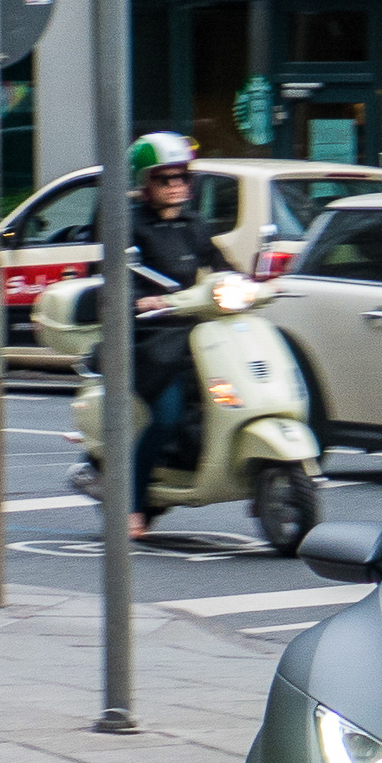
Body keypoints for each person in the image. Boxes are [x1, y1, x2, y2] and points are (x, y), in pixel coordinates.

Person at [124, 132, 230, 538]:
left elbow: (219, 265)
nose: (175, 186)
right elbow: (114, 277)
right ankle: (132, 503)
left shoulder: (193, 224)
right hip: (149, 339)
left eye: (181, 177)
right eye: (164, 179)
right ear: (145, 183)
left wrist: (252, 283)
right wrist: (141, 301)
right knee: (166, 417)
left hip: (191, 330)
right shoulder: (130, 228)